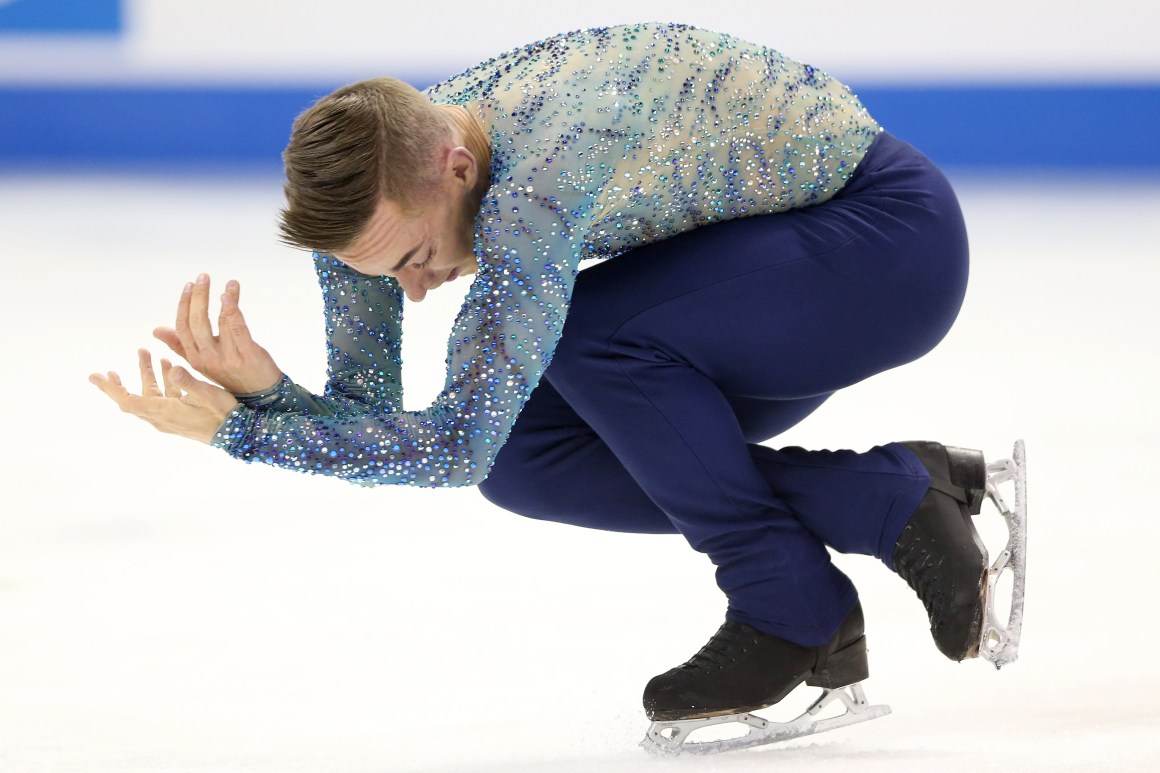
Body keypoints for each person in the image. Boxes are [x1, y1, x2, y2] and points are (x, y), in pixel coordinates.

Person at [90, 21, 1025, 752]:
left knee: (580, 339)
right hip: (747, 295)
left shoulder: (541, 178)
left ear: (456, 166)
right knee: (529, 460)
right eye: (382, 275)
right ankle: (883, 505)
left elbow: (448, 446)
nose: (409, 289)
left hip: (885, 248)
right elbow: (416, 432)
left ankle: (792, 596)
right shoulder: (378, 211)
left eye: (414, 258)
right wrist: (271, 397)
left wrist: (239, 434)